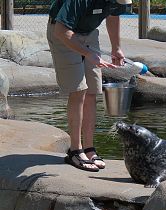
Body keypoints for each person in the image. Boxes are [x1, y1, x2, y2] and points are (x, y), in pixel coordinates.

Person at [47, 0, 132, 172]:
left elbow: (113, 15)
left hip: (89, 33)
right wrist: (88, 54)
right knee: (79, 90)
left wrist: (116, 47)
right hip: (64, 34)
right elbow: (61, 30)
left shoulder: (119, 1)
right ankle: (75, 150)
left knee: (92, 90)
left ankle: (89, 148)